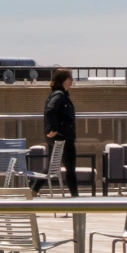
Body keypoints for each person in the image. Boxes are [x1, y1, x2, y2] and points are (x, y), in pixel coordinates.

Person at [37, 68, 79, 196]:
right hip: (63, 137)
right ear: (63, 80)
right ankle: (76, 198)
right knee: (70, 168)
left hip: (59, 137)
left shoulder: (62, 94)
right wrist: (54, 129)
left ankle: (33, 190)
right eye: (70, 78)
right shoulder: (59, 95)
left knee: (51, 166)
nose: (72, 80)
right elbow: (50, 110)